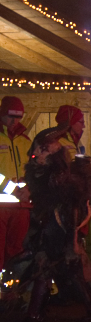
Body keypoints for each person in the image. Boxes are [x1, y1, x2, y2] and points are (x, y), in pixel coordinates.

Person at [15, 126, 91, 322]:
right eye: (37, 150)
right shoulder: (42, 171)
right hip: (49, 225)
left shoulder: (58, 175)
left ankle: (36, 314)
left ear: (53, 152)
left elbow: (67, 205)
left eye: (43, 150)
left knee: (50, 265)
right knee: (53, 266)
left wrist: (72, 239)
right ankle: (39, 313)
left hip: (57, 227)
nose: (38, 154)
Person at [0, 96, 31, 276]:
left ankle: (13, 286)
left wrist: (29, 189)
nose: (15, 121)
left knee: (17, 252)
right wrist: (13, 190)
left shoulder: (25, 141)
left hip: (22, 207)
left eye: (18, 117)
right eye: (11, 116)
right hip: (2, 207)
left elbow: (33, 170)